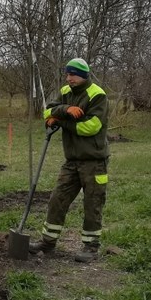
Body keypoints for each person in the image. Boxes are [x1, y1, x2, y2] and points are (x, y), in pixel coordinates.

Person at [29, 58, 110, 263]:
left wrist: (63, 122)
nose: (68, 78)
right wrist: (64, 111)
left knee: (92, 202)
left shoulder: (97, 95)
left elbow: (91, 127)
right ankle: (48, 243)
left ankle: (91, 247)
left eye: (72, 74)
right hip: (72, 160)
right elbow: (47, 112)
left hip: (94, 160)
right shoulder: (65, 92)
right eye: (67, 74)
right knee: (58, 198)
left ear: (83, 75)